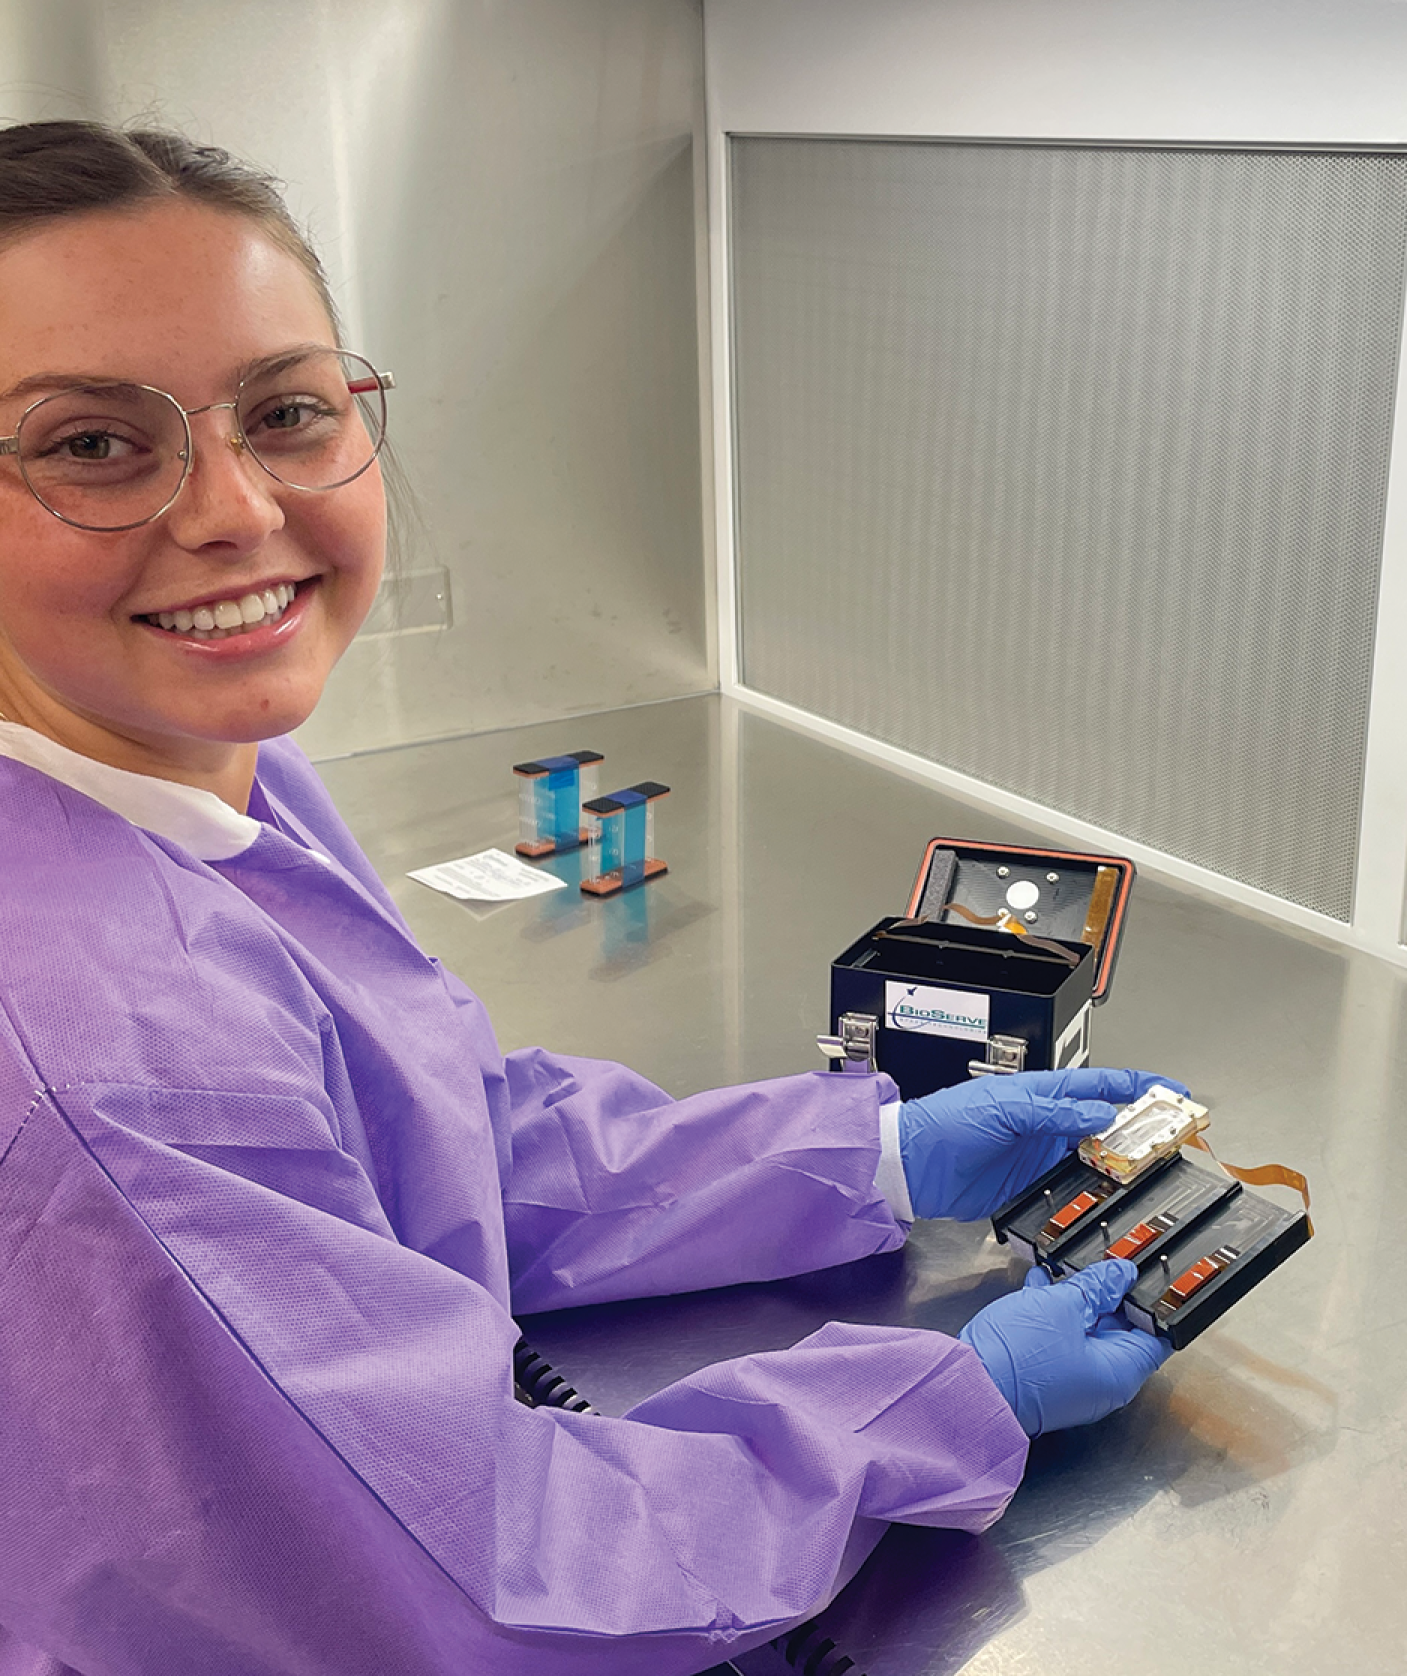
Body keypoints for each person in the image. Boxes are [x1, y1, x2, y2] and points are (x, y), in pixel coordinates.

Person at [0, 120, 1174, 1676]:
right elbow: (470, 1594)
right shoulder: (104, 1058)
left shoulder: (204, 765)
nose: (232, 509)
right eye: (93, 443)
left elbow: (434, 1143)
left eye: (285, 411)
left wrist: (868, 1154)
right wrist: (951, 1402)